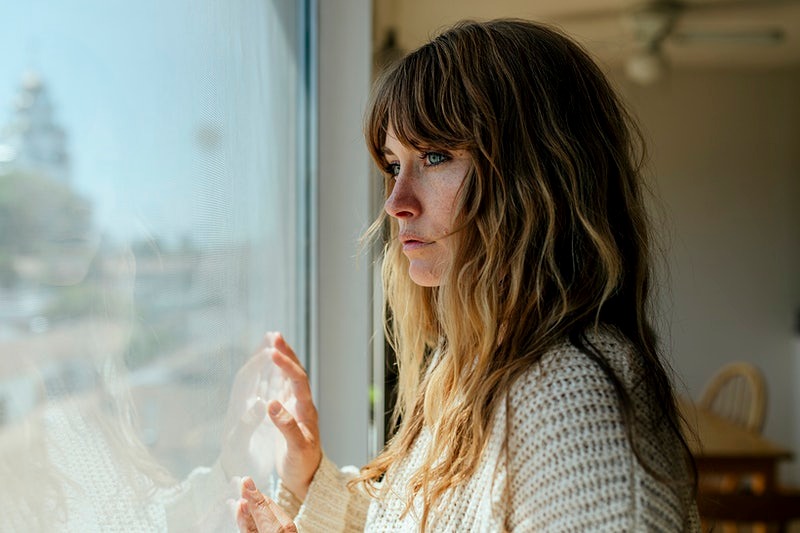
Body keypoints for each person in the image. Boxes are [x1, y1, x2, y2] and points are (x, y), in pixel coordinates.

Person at [236, 19, 700, 532]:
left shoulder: (572, 410)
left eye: (435, 156)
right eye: (394, 165)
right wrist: (310, 481)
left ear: (537, 177)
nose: (396, 202)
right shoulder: (475, 366)